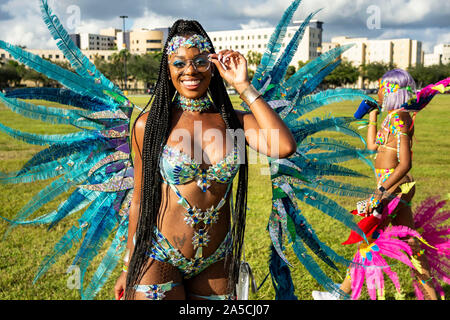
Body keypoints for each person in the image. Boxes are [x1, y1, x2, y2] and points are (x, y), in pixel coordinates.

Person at [113, 19, 296, 300]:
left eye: (200, 61)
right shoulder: (149, 125)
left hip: (217, 260)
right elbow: (138, 198)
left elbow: (283, 146)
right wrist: (129, 264)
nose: (190, 71)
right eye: (179, 63)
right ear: (168, 68)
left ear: (213, 65)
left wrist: (243, 86)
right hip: (158, 254)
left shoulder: (234, 121)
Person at [312, 68, 438, 300]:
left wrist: (381, 191)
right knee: (412, 244)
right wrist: (372, 115)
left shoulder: (401, 118)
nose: (377, 92)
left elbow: (405, 164)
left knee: (368, 237)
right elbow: (372, 147)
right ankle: (431, 296)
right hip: (390, 186)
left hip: (396, 187)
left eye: (381, 88)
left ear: (392, 92)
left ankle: (341, 294)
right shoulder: (391, 117)